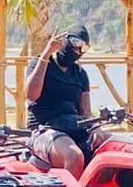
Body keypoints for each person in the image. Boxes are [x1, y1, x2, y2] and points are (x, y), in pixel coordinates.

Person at [24, 22, 109, 176]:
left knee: (114, 144)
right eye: (77, 44)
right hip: (44, 129)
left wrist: (95, 127)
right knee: (74, 156)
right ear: (64, 41)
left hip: (74, 125)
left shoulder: (80, 73)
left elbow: (85, 112)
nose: (78, 51)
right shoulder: (40, 63)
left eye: (84, 48)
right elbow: (31, 94)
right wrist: (46, 54)